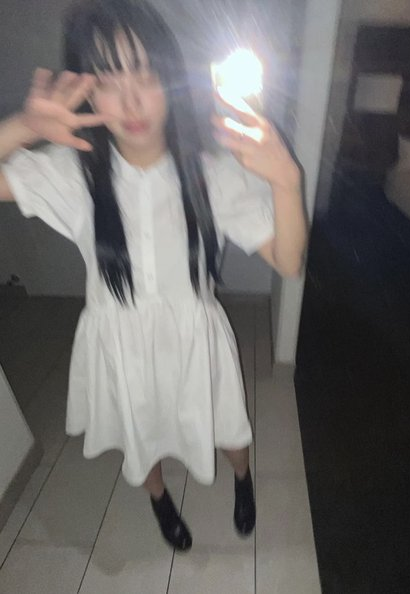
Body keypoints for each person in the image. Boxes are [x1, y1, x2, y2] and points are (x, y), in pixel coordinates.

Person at [0, 0, 307, 552]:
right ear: (86, 91)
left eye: (145, 74)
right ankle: (161, 501)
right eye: (109, 81)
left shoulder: (211, 175)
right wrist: (23, 127)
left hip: (195, 341)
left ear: (171, 79)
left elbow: (288, 261)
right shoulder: (73, 173)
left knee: (228, 429)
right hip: (119, 345)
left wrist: (286, 180)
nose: (132, 101)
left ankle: (242, 481)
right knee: (140, 439)